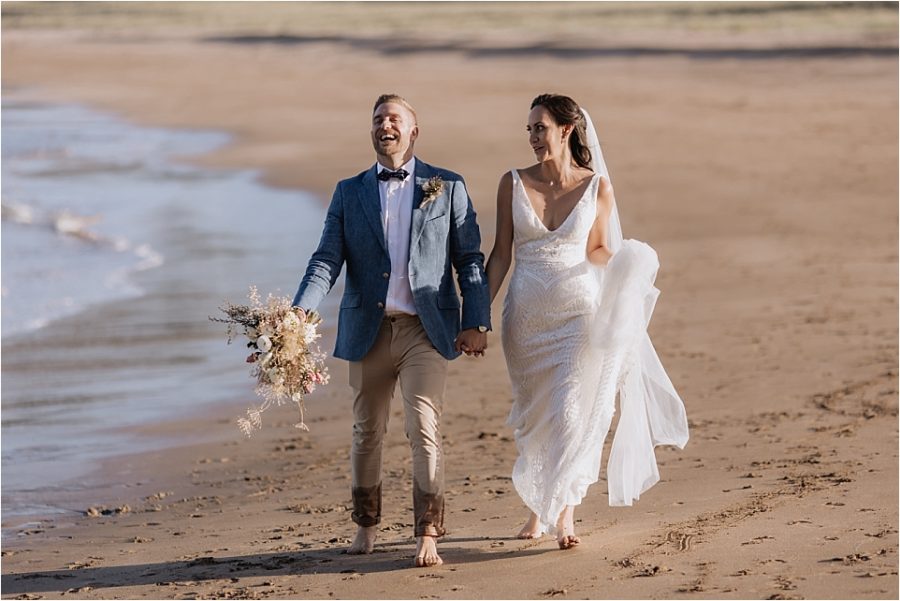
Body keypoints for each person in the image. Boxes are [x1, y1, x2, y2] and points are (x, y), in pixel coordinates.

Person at [292, 94, 491, 567]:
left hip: (427, 330)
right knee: (366, 432)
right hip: (368, 330)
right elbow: (326, 259)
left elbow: (468, 260)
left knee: (424, 429)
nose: (386, 125)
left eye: (395, 119)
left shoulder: (447, 186)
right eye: (379, 119)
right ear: (372, 131)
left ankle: (428, 531)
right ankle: (366, 526)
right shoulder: (349, 191)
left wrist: (475, 321)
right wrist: (300, 311)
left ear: (413, 131)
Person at [485, 93, 689, 549]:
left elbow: (596, 248)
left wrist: (626, 264)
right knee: (538, 419)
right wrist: (478, 314)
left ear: (566, 130)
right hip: (525, 323)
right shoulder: (512, 183)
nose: (534, 138)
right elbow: (501, 254)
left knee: (573, 414)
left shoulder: (597, 188)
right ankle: (537, 508)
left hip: (577, 317)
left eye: (541, 128)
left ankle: (566, 513)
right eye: (530, 129)